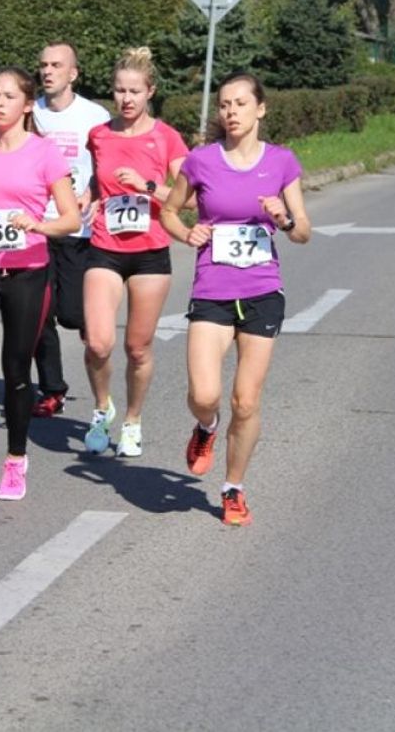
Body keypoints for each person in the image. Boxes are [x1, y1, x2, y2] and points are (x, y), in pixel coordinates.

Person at [159, 72, 311, 528]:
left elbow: (303, 231)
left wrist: (284, 219)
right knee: (205, 395)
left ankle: (233, 488)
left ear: (260, 109)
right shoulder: (201, 161)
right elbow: (169, 210)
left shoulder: (281, 162)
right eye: (225, 104)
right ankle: (205, 427)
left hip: (262, 292)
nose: (231, 112)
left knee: (245, 402)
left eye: (241, 103)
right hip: (212, 291)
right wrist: (187, 233)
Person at [0, 67, 80, 501]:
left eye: (8, 96)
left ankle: (15, 459)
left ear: (26, 105)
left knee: (16, 370)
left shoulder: (45, 153)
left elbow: (71, 219)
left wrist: (38, 225)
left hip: (28, 271)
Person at [81, 48, 191, 458]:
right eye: (119, 91)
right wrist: (90, 196)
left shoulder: (166, 137)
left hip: (150, 251)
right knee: (98, 343)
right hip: (105, 247)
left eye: (134, 91)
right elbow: (98, 180)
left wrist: (147, 186)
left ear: (150, 92)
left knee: (138, 348)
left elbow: (189, 197)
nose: (126, 99)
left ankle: (132, 420)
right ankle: (101, 408)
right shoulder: (98, 135)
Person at [29, 43, 111, 418]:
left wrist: (93, 191)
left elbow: (107, 164)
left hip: (79, 230)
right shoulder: (30, 113)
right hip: (38, 226)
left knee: (74, 316)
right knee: (38, 313)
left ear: (73, 73)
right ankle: (52, 390)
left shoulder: (95, 116)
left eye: (56, 65)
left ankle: (100, 378)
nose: (48, 71)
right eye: (44, 65)